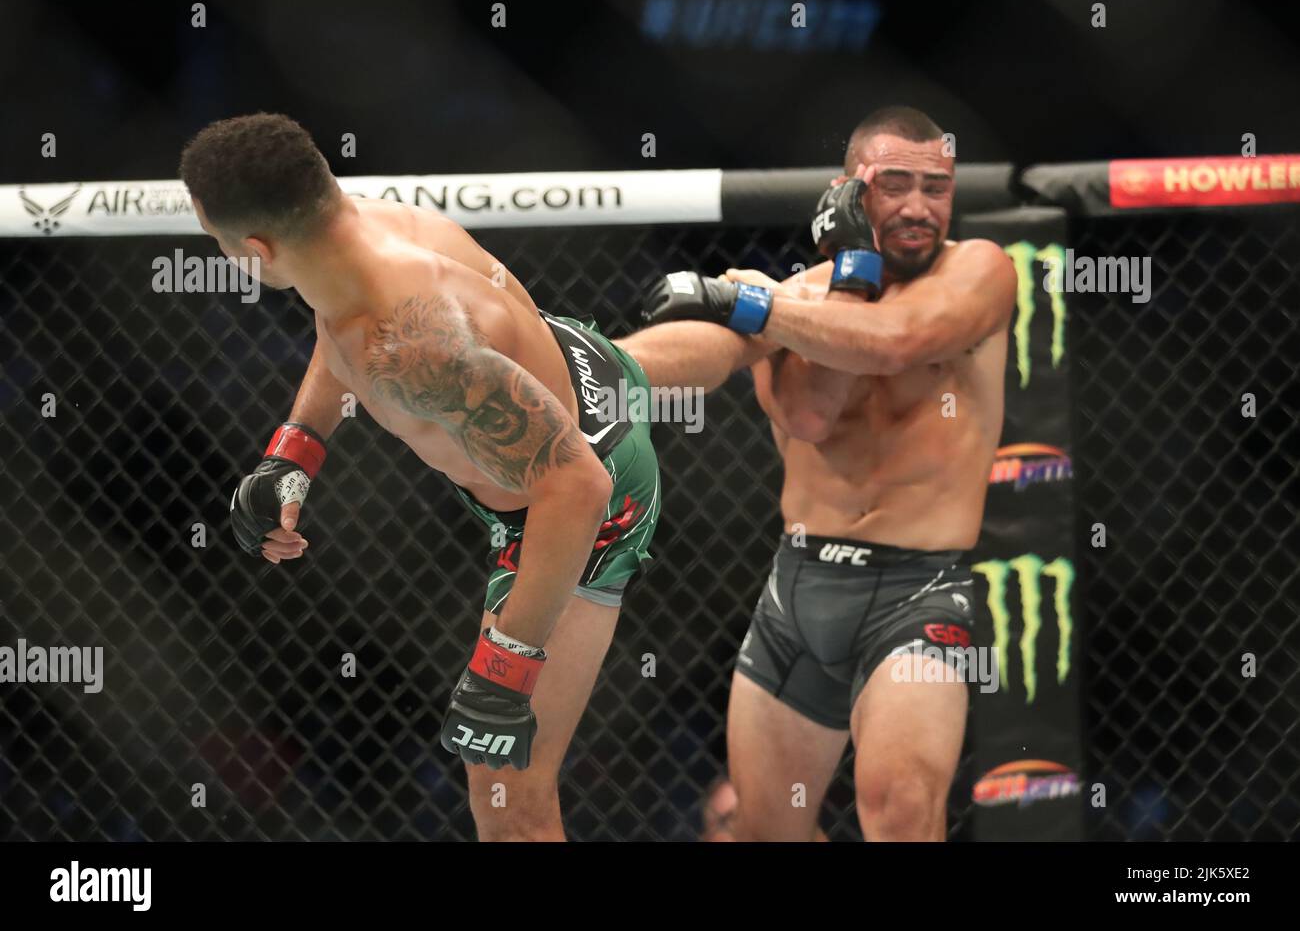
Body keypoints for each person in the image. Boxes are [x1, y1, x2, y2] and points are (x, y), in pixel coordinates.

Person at [182, 113, 660, 841]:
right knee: (655, 362)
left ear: (255, 250)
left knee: (507, 798)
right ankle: (739, 313)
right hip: (572, 364)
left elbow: (578, 488)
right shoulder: (351, 233)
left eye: (218, 242)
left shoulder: (415, 338)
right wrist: (295, 450)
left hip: (576, 500)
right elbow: (344, 328)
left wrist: (508, 666)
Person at [618, 106, 1015, 841]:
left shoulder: (979, 269)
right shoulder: (799, 295)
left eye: (936, 187)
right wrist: (840, 277)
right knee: (764, 830)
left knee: (901, 814)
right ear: (847, 192)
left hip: (918, 589)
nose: (919, 206)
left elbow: (898, 341)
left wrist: (749, 302)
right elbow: (809, 414)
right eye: (895, 185)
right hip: (798, 591)